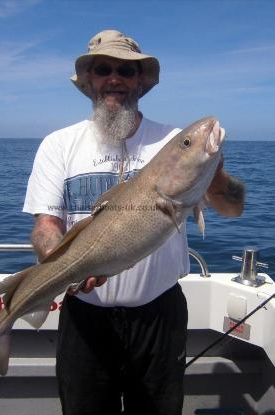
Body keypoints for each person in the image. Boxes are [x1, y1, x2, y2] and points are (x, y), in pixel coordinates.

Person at [23, 30, 244, 415]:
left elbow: (232, 209)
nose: (115, 79)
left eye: (126, 71)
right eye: (103, 69)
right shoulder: (58, 145)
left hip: (159, 316)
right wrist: (57, 258)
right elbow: (45, 224)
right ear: (89, 80)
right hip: (84, 316)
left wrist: (217, 175)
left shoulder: (173, 140)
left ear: (141, 81)